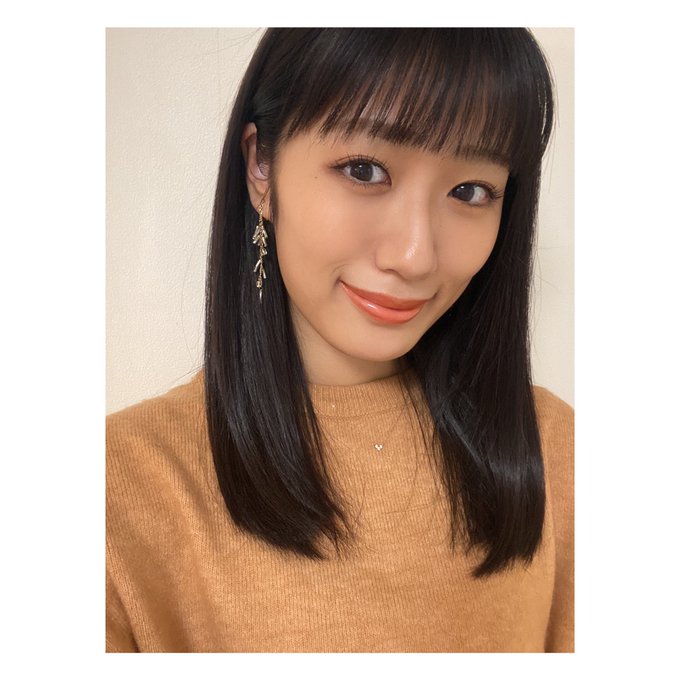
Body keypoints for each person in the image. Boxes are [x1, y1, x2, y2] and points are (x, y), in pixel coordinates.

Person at [106, 28, 573, 653]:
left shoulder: (555, 448)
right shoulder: (119, 487)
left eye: (470, 192)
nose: (414, 255)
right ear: (261, 167)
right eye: (364, 170)